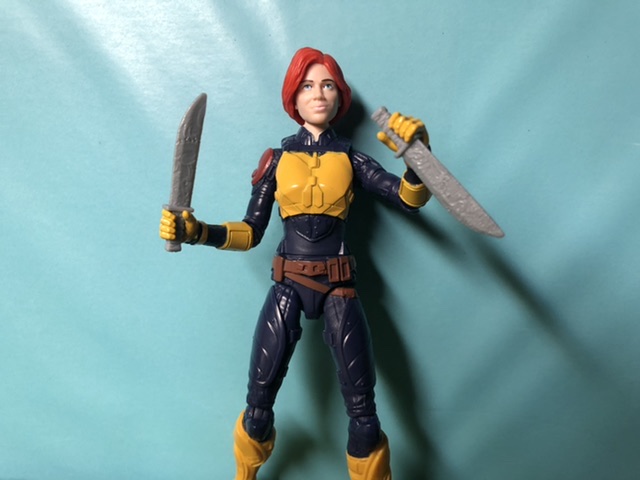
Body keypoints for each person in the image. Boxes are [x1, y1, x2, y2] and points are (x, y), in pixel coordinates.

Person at [160, 47, 431, 480]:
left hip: (339, 287)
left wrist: (417, 160)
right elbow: (251, 231)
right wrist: (198, 232)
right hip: (287, 285)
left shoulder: (352, 159)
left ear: (340, 97)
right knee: (257, 408)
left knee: (364, 417)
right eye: (307, 85)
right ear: (293, 97)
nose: (318, 94)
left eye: (327, 85)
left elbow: (407, 198)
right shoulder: (277, 161)